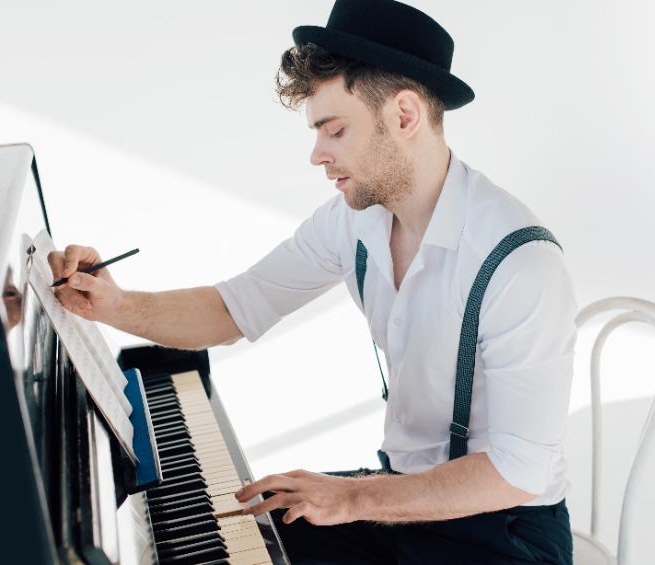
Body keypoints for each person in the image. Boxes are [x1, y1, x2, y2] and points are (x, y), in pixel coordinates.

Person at [50, 0, 577, 563]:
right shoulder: (353, 219)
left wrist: (352, 496)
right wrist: (112, 304)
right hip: (397, 497)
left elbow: (518, 471)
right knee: (232, 530)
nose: (317, 155)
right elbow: (235, 308)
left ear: (404, 116)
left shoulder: (520, 264)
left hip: (504, 528)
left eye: (335, 129)